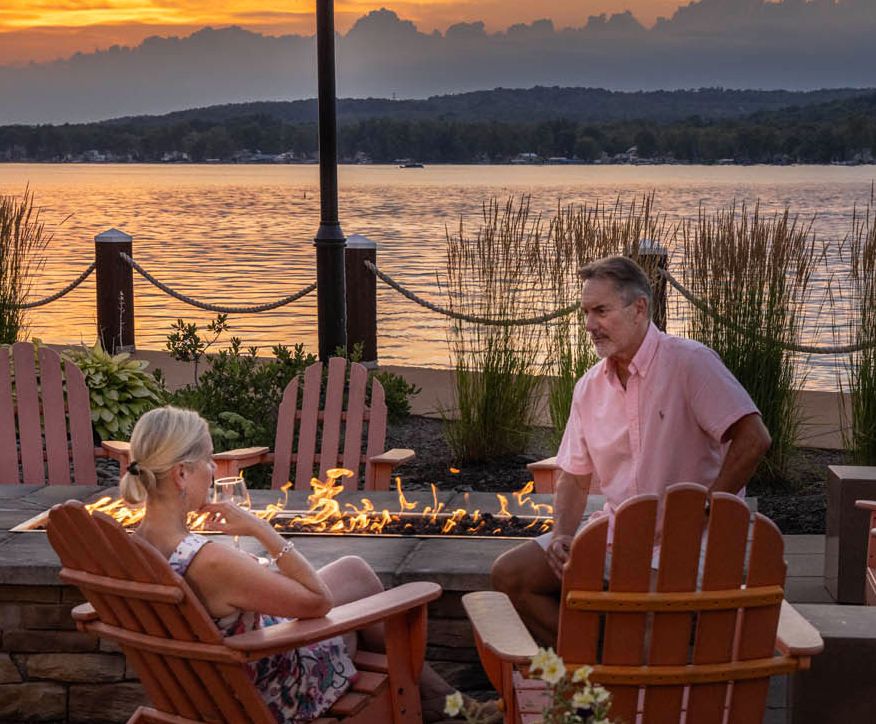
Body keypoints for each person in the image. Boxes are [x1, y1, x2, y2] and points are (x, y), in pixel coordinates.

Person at [120, 406, 476, 723]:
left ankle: (443, 700)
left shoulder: (131, 549)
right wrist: (261, 529)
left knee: (353, 571)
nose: (213, 471)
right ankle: (437, 703)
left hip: (206, 686)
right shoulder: (206, 560)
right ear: (181, 474)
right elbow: (317, 601)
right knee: (351, 624)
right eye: (208, 461)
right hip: (271, 690)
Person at [491, 255, 772, 647]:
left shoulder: (689, 363)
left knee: (642, 614)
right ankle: (597, 669)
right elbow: (573, 475)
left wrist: (706, 507)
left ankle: (615, 683)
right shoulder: (589, 387)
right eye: (586, 313)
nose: (590, 325)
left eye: (601, 311)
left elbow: (754, 437)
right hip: (617, 534)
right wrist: (561, 536)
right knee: (510, 575)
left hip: (691, 540)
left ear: (639, 308)